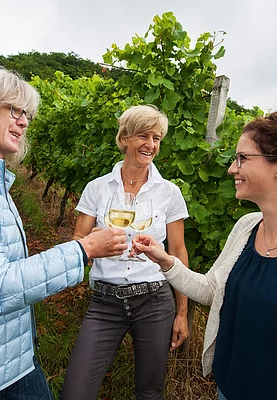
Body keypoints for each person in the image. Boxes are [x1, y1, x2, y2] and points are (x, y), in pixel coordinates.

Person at [0, 65, 127, 400]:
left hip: (10, 362)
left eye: (26, 113)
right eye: (14, 109)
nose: (24, 121)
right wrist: (83, 250)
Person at [131, 110, 277, 400]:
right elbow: (213, 290)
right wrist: (166, 260)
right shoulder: (247, 227)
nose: (231, 168)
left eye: (242, 158)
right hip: (226, 389)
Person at [61, 105, 189, 400]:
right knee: (75, 393)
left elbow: (178, 252)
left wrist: (182, 312)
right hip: (105, 302)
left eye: (157, 138)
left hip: (155, 301)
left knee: (150, 392)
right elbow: (78, 238)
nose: (151, 145)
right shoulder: (97, 188)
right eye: (143, 136)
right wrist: (94, 244)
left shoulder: (169, 192)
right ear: (125, 138)